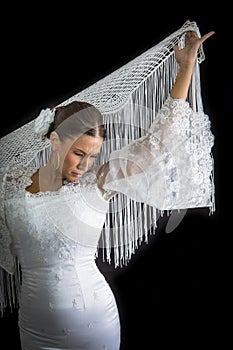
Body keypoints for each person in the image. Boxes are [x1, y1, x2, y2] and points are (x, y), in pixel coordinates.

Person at [0, 28, 215, 350]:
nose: (85, 165)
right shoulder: (8, 180)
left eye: (93, 156)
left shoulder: (99, 182)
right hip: (34, 324)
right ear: (55, 141)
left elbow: (158, 144)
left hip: (95, 319)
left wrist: (184, 68)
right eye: (78, 153)